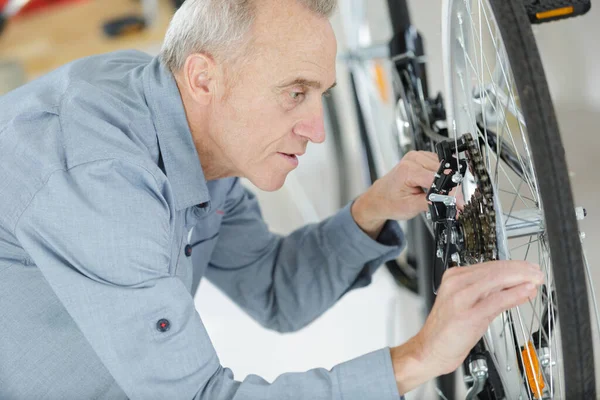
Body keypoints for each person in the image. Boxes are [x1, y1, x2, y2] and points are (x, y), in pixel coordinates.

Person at [0, 0, 544, 398]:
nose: (316, 129)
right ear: (204, 77)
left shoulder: (187, 127)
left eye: (319, 96)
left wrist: (371, 210)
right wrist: (419, 357)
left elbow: (271, 290)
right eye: (294, 93)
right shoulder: (104, 177)